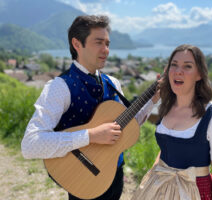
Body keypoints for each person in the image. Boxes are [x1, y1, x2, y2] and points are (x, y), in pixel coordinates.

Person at [21, 15, 158, 200]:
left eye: (108, 43)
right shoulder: (59, 87)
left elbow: (125, 127)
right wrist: (91, 136)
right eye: (99, 42)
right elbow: (30, 145)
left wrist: (153, 99)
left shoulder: (113, 83)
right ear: (77, 44)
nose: (106, 50)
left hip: (114, 176)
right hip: (83, 179)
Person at [132, 44, 212, 200]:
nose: (178, 71)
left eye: (187, 66)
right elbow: (165, 150)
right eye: (174, 65)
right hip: (157, 187)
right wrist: (149, 180)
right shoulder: (165, 107)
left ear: (199, 74)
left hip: (194, 191)